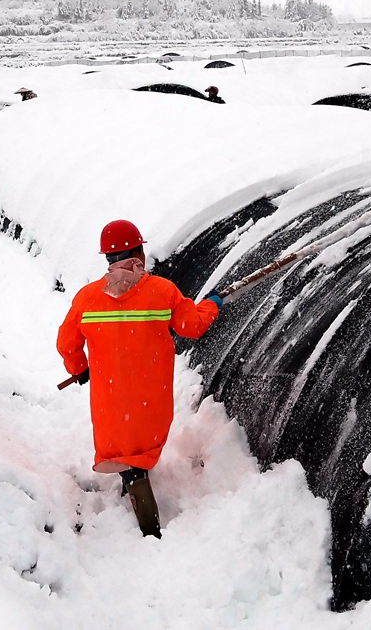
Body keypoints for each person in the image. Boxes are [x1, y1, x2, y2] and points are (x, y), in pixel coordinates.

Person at [56, 220, 223, 537]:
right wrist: (211, 305)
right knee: (138, 457)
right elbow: (192, 326)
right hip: (151, 399)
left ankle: (135, 494)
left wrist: (78, 367)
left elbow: (66, 343)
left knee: (122, 451)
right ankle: (150, 531)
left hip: (110, 403)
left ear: (108, 258)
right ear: (139, 253)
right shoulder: (161, 292)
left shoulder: (87, 299)